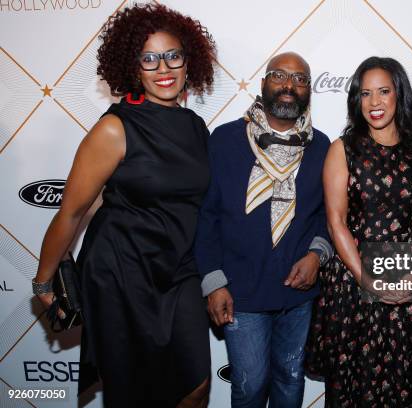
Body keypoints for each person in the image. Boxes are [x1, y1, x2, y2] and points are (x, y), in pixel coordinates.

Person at [31, 4, 216, 407]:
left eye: (173, 55)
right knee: (132, 394)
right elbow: (73, 211)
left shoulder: (196, 127)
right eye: (148, 58)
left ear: (189, 62)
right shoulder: (114, 128)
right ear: (133, 67)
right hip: (121, 273)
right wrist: (44, 281)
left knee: (197, 385)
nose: (163, 67)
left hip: (179, 270)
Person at [195, 51, 332, 408]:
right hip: (240, 293)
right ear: (263, 84)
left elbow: (327, 215)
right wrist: (213, 282)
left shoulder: (322, 147)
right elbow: (205, 216)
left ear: (308, 91)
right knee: (250, 385)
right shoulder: (224, 140)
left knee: (289, 382)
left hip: (298, 294)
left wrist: (317, 255)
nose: (290, 85)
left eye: (300, 79)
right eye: (280, 76)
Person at [306, 56, 412, 407]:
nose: (374, 103)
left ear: (399, 95)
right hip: (354, 282)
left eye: (383, 91)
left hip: (408, 279)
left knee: (404, 381)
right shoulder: (342, 150)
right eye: (365, 94)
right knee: (355, 385)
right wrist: (368, 279)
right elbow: (336, 222)